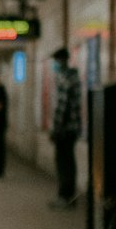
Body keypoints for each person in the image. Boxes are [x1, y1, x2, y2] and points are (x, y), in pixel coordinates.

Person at [48, 47, 82, 207]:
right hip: (73, 128)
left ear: (61, 60)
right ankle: (69, 196)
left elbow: (63, 106)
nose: (55, 64)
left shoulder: (64, 78)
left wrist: (56, 128)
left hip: (65, 129)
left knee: (63, 162)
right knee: (69, 161)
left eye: (56, 61)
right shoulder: (74, 77)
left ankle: (65, 196)